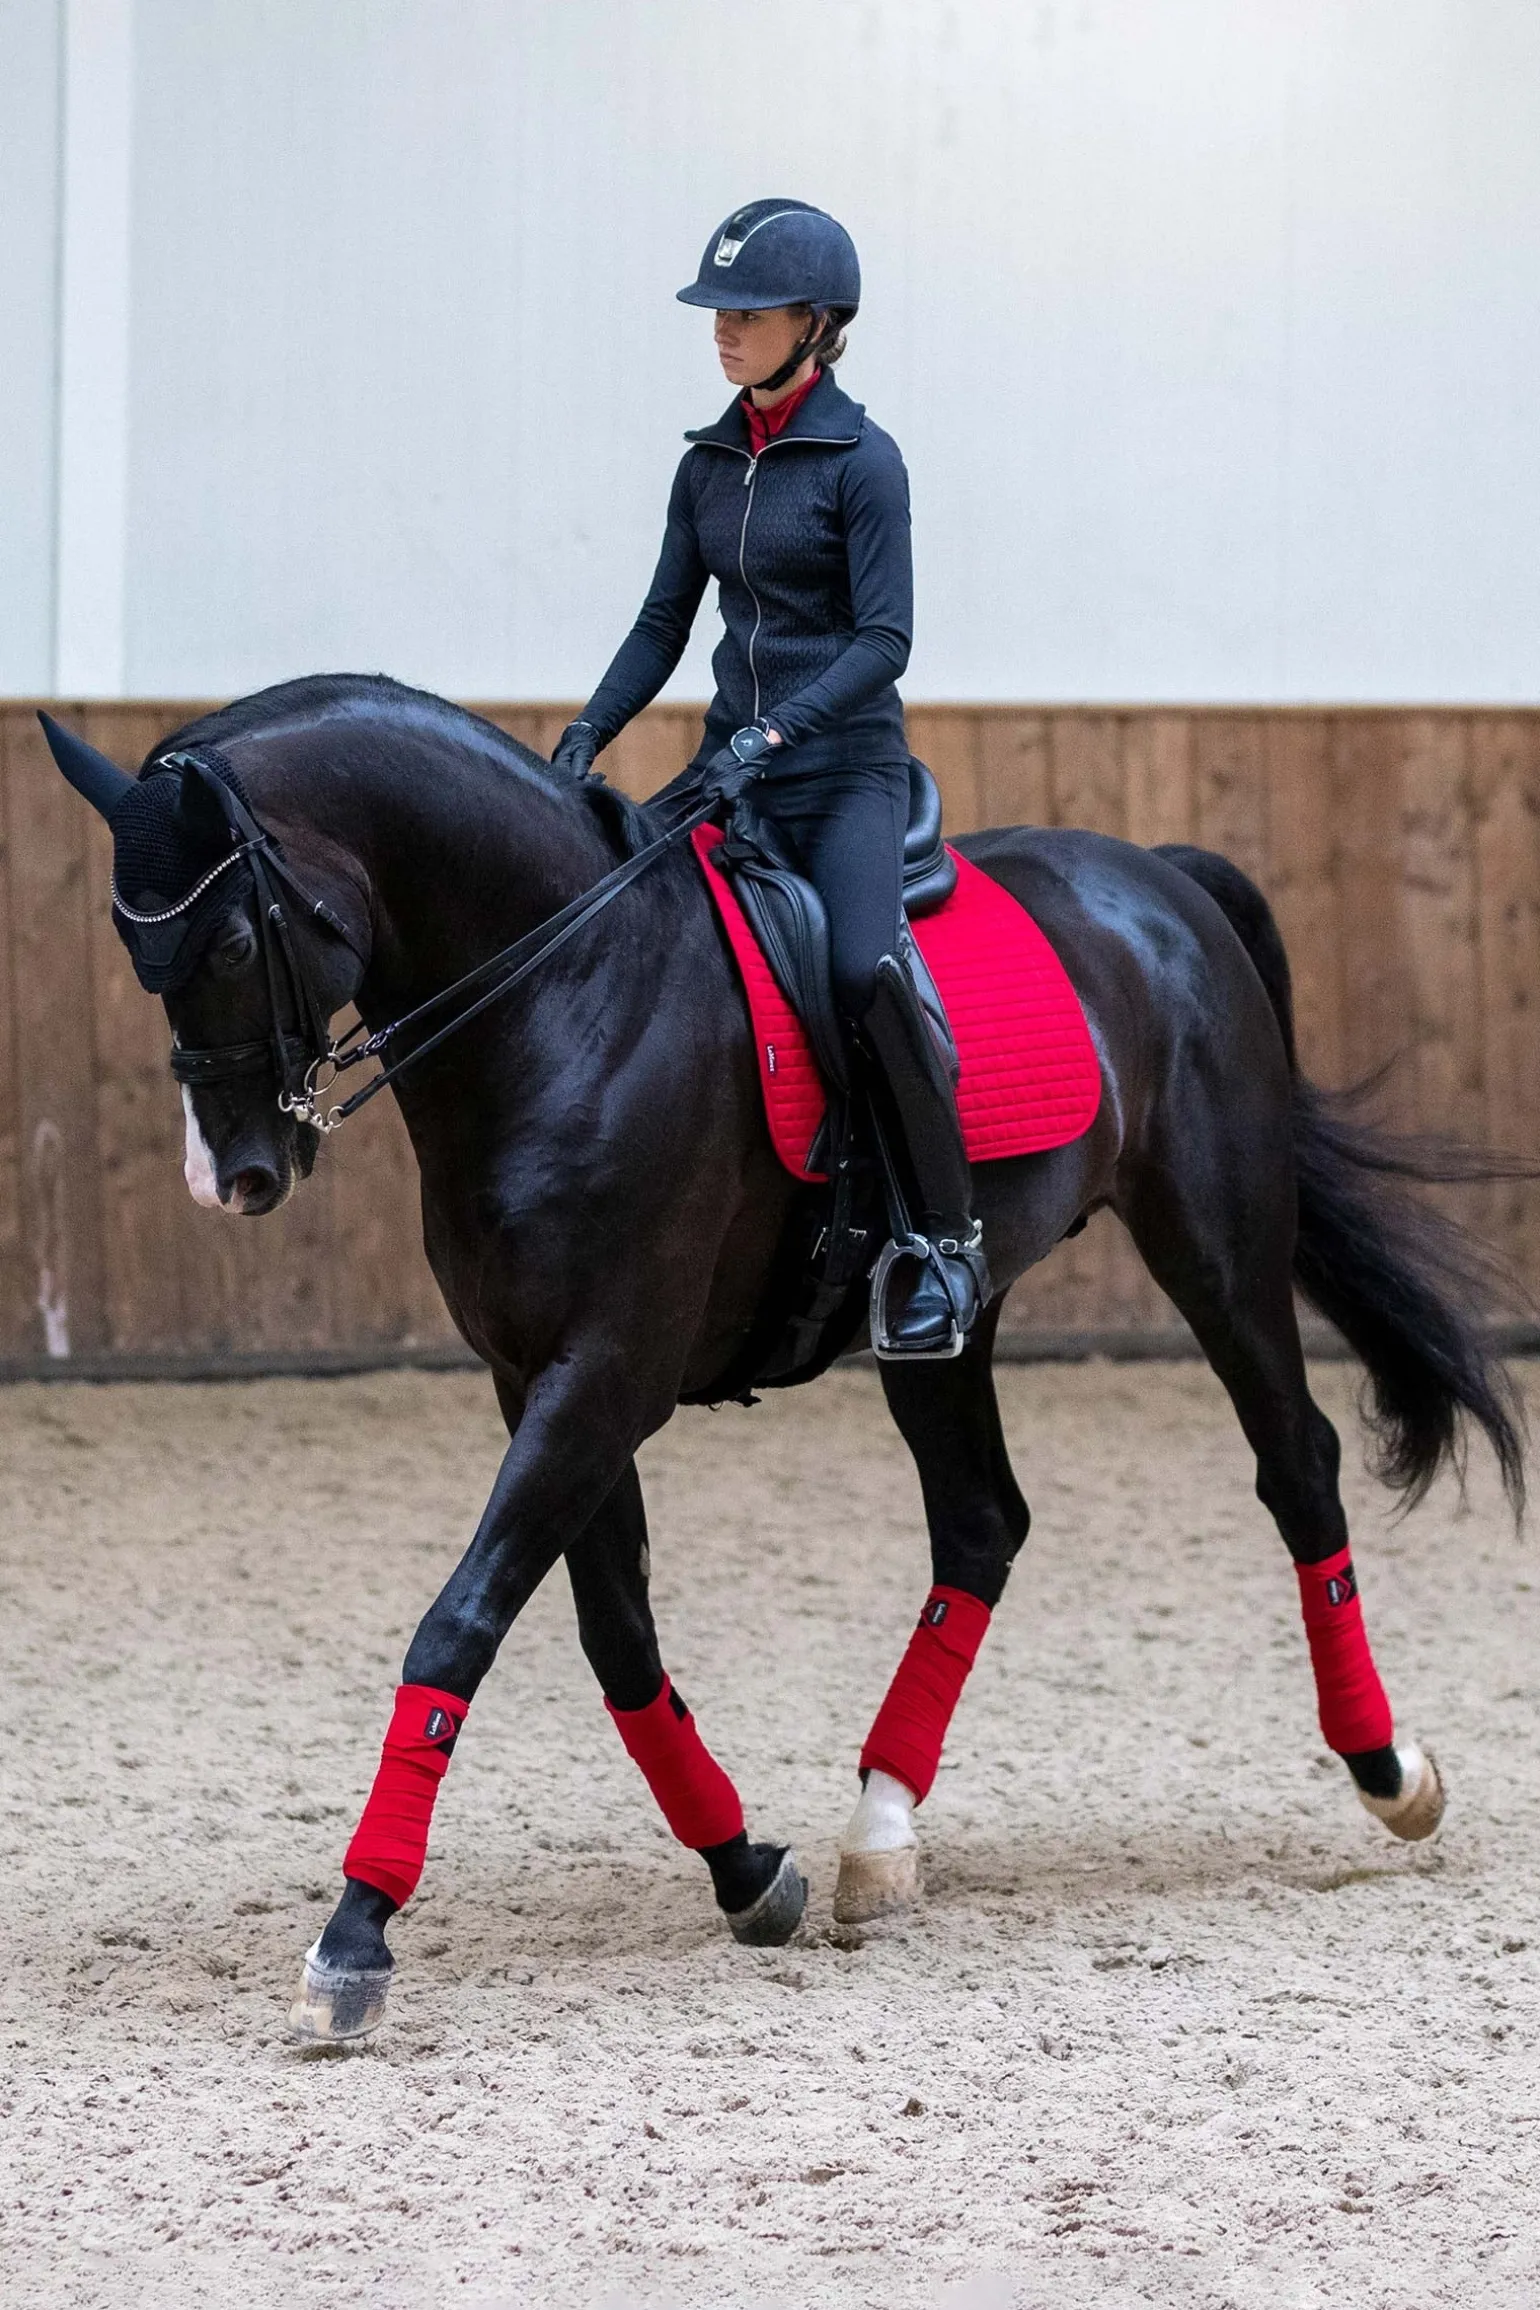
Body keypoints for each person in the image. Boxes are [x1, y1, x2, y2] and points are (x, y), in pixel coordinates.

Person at [553, 198, 987, 1357]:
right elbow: (660, 624)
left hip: (840, 775)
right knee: (614, 923)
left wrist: (780, 730)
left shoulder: (863, 461)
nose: (722, 330)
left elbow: (884, 643)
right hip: (729, 768)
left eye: (746, 313)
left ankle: (941, 1243)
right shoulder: (706, 466)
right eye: (717, 312)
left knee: (860, 970)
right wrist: (584, 734)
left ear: (816, 322)